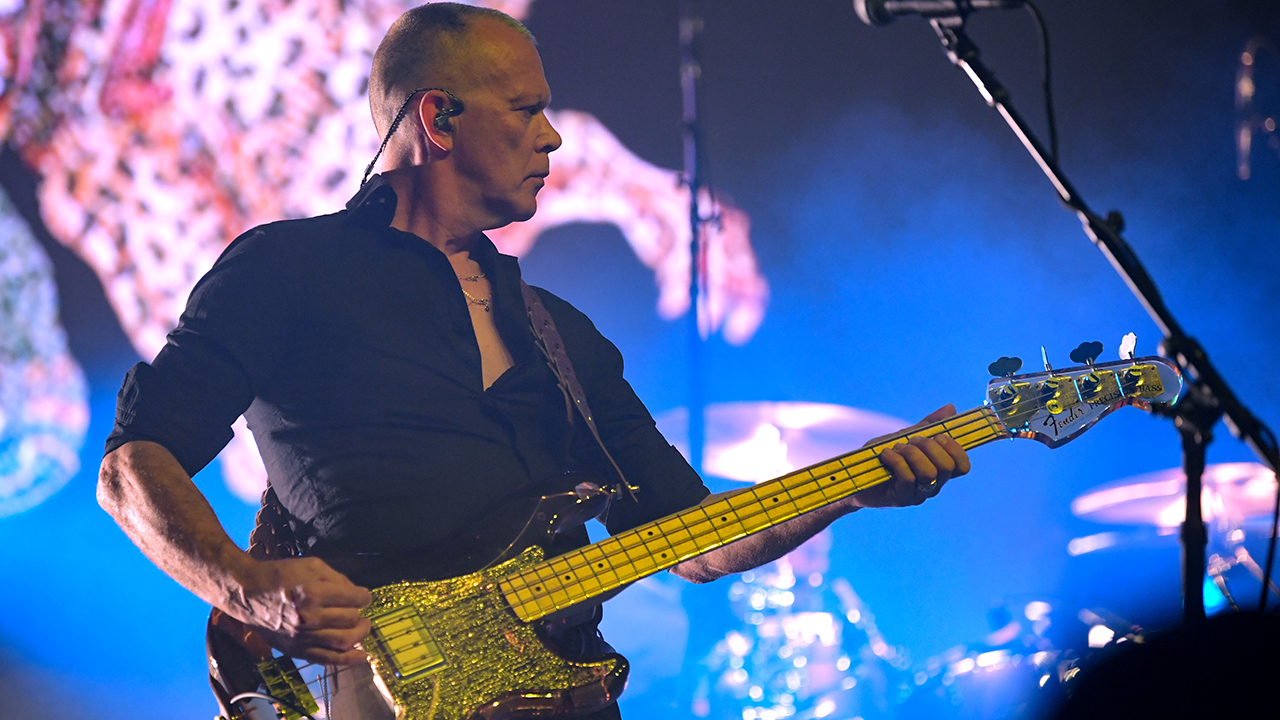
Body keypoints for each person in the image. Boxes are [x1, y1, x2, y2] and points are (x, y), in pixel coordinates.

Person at [96, 4, 970, 718]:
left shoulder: (560, 334)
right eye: (526, 110)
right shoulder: (286, 269)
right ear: (437, 117)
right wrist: (252, 590)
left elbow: (693, 539)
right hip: (375, 692)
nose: (553, 138)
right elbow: (135, 464)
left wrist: (852, 485)